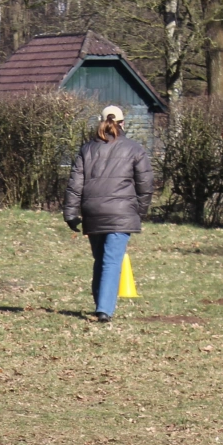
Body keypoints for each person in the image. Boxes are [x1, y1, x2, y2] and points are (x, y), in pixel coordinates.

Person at [63, 106, 153, 322]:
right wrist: (138, 211)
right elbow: (146, 185)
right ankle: (104, 310)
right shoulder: (134, 149)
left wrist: (70, 214)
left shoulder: (87, 149)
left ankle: (100, 303)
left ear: (100, 121)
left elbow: (75, 184)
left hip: (93, 212)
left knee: (100, 259)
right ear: (123, 123)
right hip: (121, 213)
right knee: (112, 261)